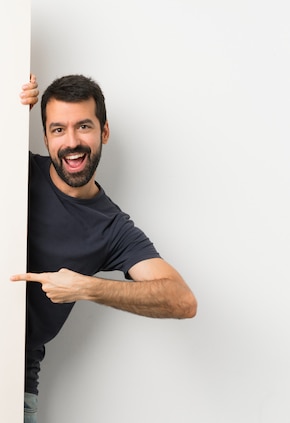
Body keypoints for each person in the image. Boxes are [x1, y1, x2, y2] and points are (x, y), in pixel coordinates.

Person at [13, 74, 197, 423]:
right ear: (45, 137)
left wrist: (86, 287)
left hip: (17, 384)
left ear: (104, 132)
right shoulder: (15, 170)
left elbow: (182, 300)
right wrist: (6, 104)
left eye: (83, 126)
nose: (72, 142)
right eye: (58, 129)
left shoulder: (110, 226)